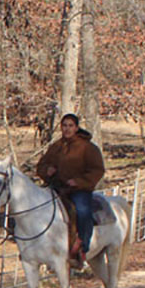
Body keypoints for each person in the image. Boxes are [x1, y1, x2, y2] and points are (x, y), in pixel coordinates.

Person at [36, 113, 105, 267]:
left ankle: (82, 247)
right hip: (56, 187)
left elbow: (97, 170)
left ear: (76, 127)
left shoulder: (88, 148)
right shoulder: (56, 147)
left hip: (79, 189)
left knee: (82, 211)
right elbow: (40, 165)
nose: (67, 129)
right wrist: (46, 171)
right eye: (64, 125)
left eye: (70, 126)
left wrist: (79, 182)